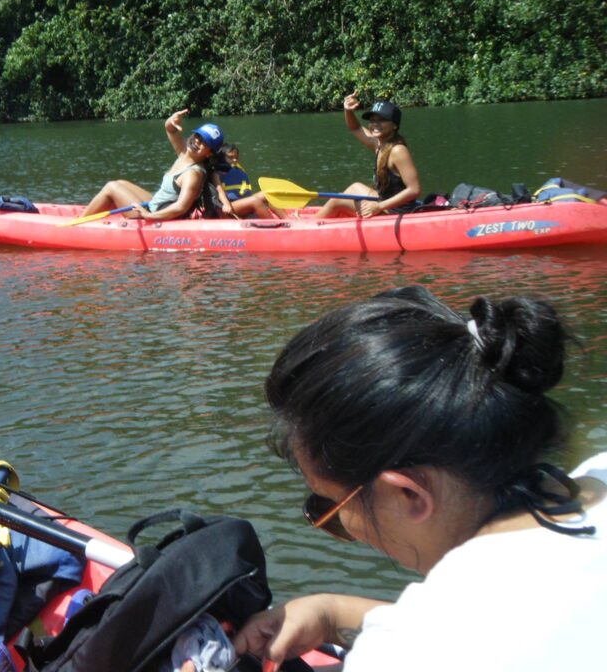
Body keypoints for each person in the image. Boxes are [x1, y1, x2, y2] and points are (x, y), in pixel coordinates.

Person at [233, 286, 607, 672]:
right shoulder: (601, 470)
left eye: (329, 507)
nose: (334, 524)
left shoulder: (408, 654)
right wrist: (333, 612)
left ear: (408, 494)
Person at [78, 109, 224, 222]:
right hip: (154, 204)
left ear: (209, 153)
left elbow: (181, 207)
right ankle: (89, 217)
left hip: (155, 214)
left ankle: (79, 223)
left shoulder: (193, 174)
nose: (197, 141)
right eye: (197, 136)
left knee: (111, 187)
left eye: (204, 142)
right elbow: (171, 130)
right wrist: (171, 121)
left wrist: (148, 216)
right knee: (120, 183)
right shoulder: (185, 153)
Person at [315, 93, 420, 218]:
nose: (375, 124)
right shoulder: (378, 143)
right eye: (372, 120)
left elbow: (414, 189)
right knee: (354, 188)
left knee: (336, 201)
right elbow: (355, 128)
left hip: (397, 213)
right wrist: (348, 111)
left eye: (381, 120)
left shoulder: (398, 150)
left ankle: (306, 227)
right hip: (386, 204)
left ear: (395, 125)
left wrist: (379, 206)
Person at [210, 143, 286, 220]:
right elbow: (219, 192)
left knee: (267, 194)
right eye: (230, 157)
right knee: (254, 201)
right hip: (226, 209)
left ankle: (288, 220)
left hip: (240, 204)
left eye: (236, 157)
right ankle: (273, 225)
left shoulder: (237, 169)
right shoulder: (216, 174)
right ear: (221, 158)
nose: (235, 160)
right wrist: (226, 205)